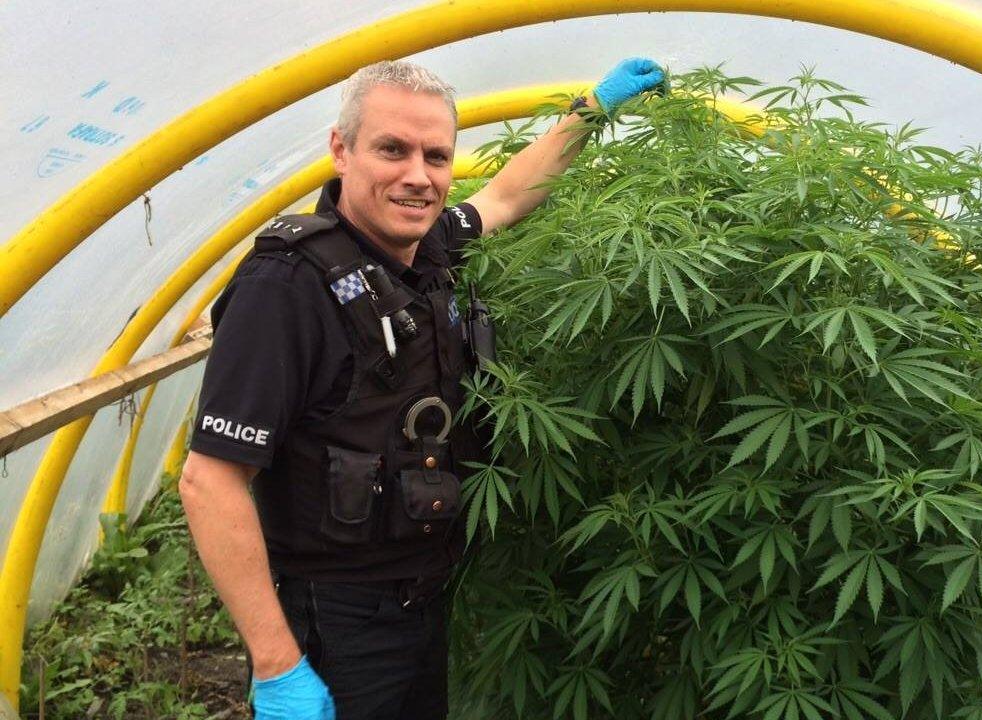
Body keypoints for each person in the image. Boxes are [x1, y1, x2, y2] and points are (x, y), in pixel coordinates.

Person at [178, 57, 665, 719]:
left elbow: (504, 197)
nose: (418, 175)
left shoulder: (427, 246)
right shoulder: (286, 286)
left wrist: (590, 109)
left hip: (422, 601)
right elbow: (210, 480)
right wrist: (277, 663)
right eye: (392, 149)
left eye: (437, 156)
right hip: (335, 620)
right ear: (340, 151)